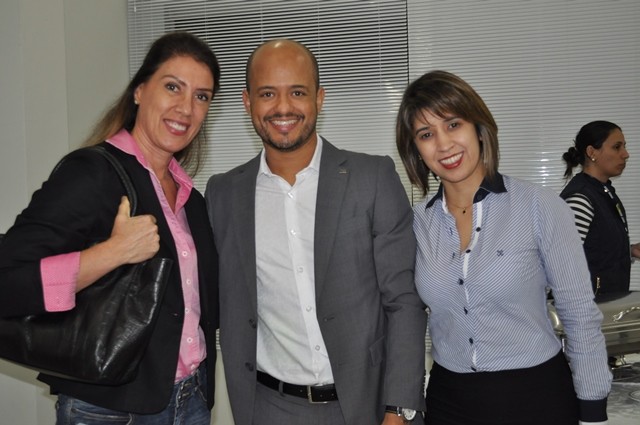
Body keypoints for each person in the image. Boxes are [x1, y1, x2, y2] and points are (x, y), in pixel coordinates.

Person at [0, 32, 220, 424]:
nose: (186, 108)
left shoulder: (193, 200)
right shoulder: (91, 173)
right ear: (139, 91)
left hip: (191, 400)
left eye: (201, 96)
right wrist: (111, 254)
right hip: (109, 410)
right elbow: (7, 281)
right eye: (173, 87)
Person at [205, 39, 427, 425]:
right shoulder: (223, 193)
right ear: (247, 102)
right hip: (269, 407)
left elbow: (404, 300)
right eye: (267, 94)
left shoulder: (372, 178)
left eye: (298, 92)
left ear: (319, 98)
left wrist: (399, 410)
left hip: (368, 404)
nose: (283, 107)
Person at [395, 70, 612, 425]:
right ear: (415, 150)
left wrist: (592, 410)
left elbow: (579, 314)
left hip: (536, 397)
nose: (444, 144)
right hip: (449, 401)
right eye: (426, 134)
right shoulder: (416, 224)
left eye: (453, 124)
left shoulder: (539, 206)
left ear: (479, 128)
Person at [561, 120, 640, 298]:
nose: (625, 154)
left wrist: (628, 250)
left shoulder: (603, 192)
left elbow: (594, 247)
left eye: (624, 146)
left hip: (606, 305)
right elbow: (562, 263)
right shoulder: (580, 199)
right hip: (588, 308)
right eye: (617, 147)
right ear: (592, 152)